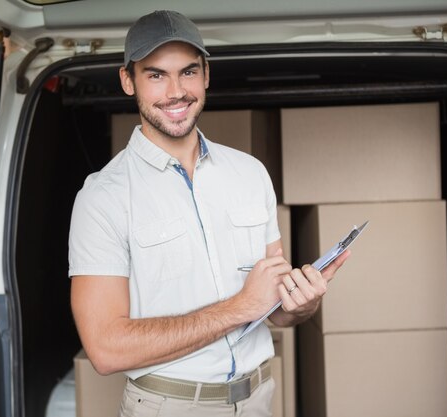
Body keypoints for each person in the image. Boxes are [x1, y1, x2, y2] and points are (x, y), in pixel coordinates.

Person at [68, 10, 350, 417]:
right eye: (156, 75)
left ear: (206, 75)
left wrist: (301, 305)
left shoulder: (250, 174)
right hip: (168, 407)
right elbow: (106, 348)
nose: (176, 91)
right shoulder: (103, 197)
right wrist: (240, 306)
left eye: (188, 72)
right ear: (128, 81)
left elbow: (273, 311)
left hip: (257, 399)